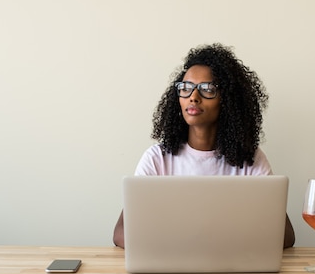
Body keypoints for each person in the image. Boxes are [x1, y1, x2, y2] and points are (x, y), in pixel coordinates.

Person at [113, 43, 295, 248]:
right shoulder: (157, 159)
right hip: (172, 270)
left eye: (207, 89)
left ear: (226, 99)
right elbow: (121, 234)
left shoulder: (249, 158)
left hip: (231, 270)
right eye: (186, 88)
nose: (193, 97)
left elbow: (286, 236)